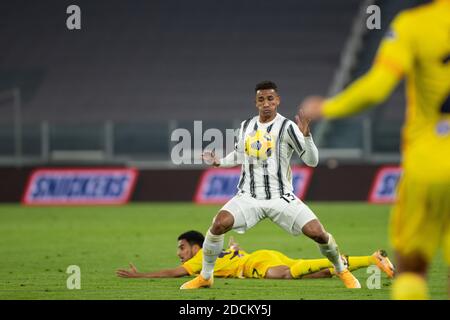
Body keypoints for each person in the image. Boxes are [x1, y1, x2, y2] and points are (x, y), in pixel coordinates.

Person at [300, 0, 450, 299]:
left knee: (411, 269)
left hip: (430, 162)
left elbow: (377, 87)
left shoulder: (414, 24)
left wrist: (327, 106)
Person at [179, 81, 360, 290]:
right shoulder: (246, 126)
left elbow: (312, 161)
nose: (266, 103)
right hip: (248, 196)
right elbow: (239, 154)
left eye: (270, 99)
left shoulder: (288, 127)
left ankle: (340, 269)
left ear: (278, 101)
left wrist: (307, 136)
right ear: (256, 103)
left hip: (281, 196)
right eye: (261, 99)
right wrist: (219, 161)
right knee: (218, 224)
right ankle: (206, 276)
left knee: (318, 233)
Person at [116, 230, 395, 280]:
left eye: (182, 247)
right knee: (321, 273)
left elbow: (171, 274)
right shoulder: (215, 252)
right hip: (264, 254)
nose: (179, 254)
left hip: (255, 263)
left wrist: (139, 274)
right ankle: (372, 259)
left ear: (195, 247)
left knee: (286, 276)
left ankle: (365, 259)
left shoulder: (200, 259)